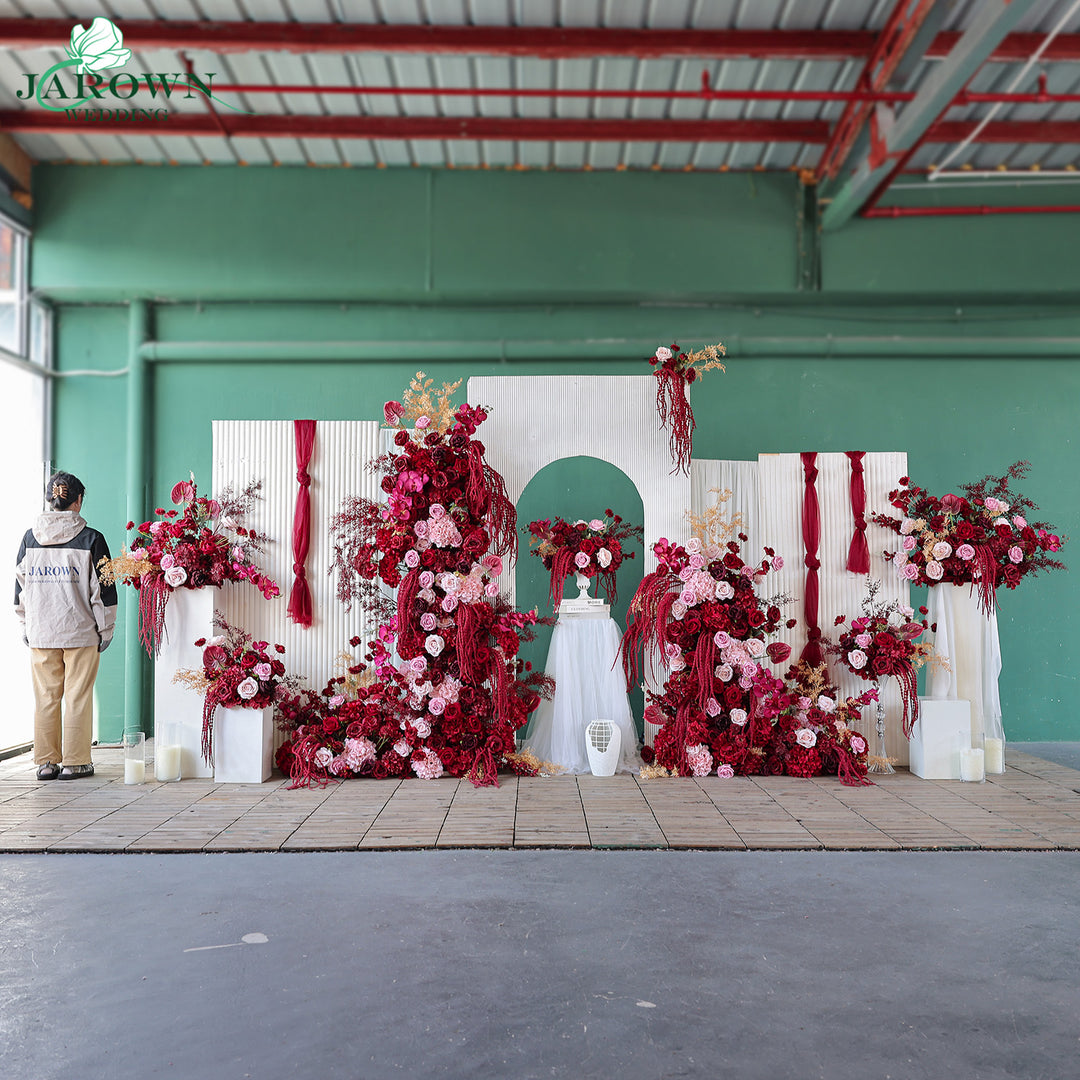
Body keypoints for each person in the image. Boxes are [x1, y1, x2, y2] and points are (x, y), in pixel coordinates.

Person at [15, 471, 117, 780]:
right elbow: (105, 590)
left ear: (50, 499)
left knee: (46, 696)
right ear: (78, 501)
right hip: (81, 632)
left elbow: (20, 590)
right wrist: (106, 629)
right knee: (77, 696)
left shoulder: (29, 538)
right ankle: (75, 762)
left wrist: (26, 626)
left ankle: (46, 763)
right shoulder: (93, 539)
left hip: (41, 632)